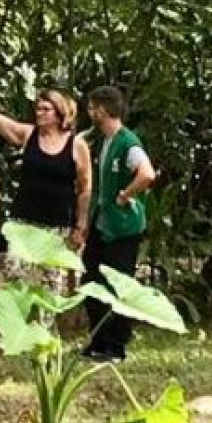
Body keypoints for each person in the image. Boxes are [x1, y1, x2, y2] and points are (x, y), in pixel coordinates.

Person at [0, 86, 92, 292]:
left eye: (46, 109)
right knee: (15, 282)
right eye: (38, 109)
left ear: (60, 113)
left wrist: (80, 226)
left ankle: (44, 325)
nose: (40, 113)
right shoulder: (29, 134)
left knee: (47, 288)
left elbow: (85, 187)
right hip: (23, 224)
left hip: (55, 228)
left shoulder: (76, 145)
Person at [80, 84, 158, 362]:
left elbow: (147, 174)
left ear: (102, 109)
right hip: (103, 225)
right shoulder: (103, 141)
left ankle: (116, 344)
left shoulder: (128, 141)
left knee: (117, 286)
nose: (90, 113)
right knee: (90, 281)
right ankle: (99, 339)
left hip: (124, 228)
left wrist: (126, 195)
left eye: (92, 108)